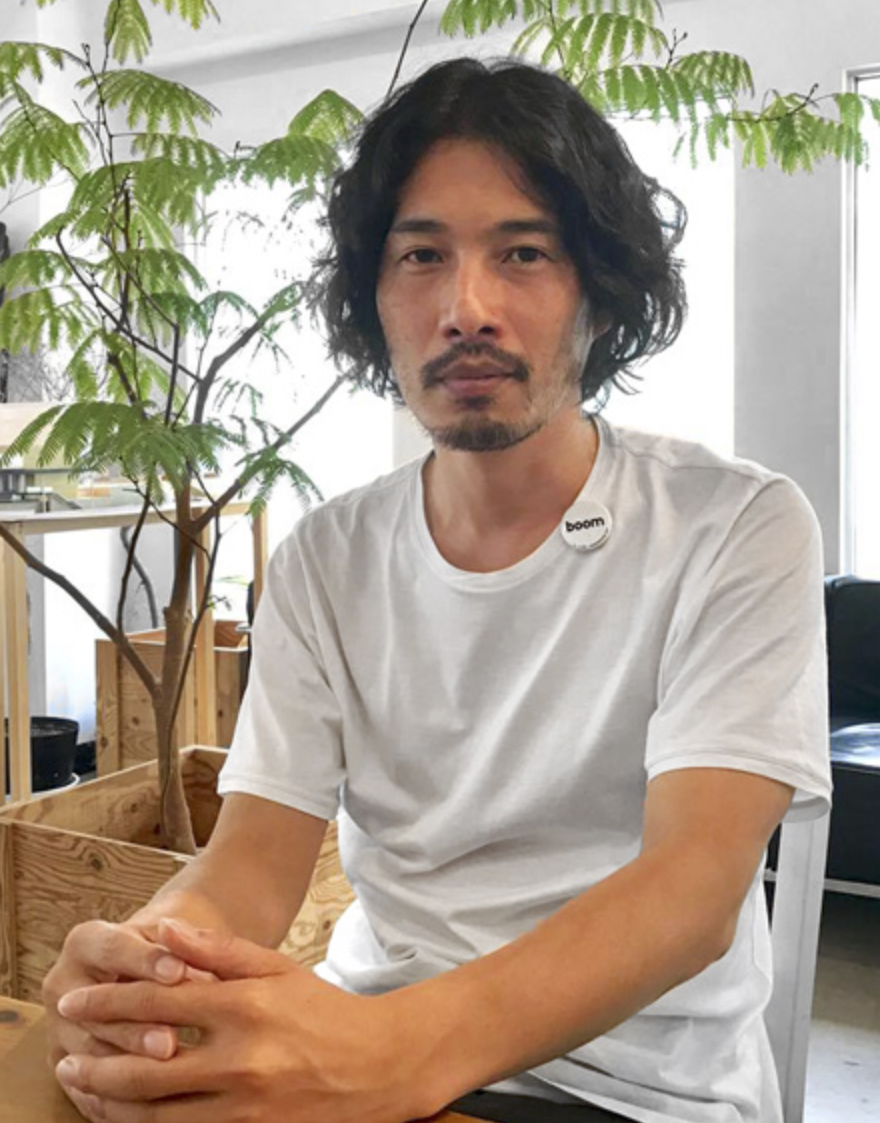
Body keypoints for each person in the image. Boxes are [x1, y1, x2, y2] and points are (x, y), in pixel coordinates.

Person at [43, 57, 831, 1123]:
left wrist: (391, 1054)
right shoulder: (329, 556)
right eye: (421, 255)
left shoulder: (733, 526)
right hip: (365, 1044)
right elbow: (251, 869)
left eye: (522, 252)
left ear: (599, 289)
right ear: (373, 299)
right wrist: (147, 963)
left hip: (631, 1090)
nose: (467, 307)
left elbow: (690, 891)